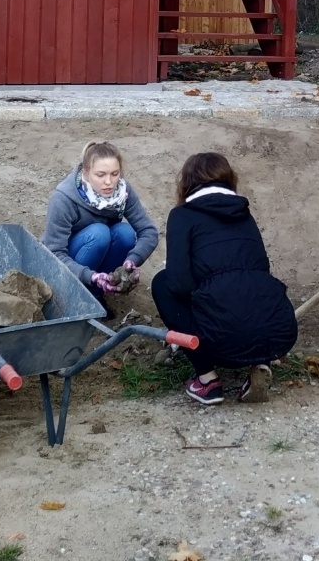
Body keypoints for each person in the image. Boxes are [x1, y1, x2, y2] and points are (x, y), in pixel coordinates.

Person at [151, 151, 298, 406]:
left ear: (186, 183)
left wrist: (202, 290)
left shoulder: (182, 216)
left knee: (162, 283)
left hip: (218, 337)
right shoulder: (244, 214)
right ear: (229, 180)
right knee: (247, 286)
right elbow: (261, 266)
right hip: (274, 335)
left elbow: (177, 282)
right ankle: (257, 362)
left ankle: (208, 381)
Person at [42, 141, 159, 297]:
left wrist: (132, 261)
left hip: (94, 255)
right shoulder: (63, 199)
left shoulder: (122, 192)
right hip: (67, 261)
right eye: (100, 175)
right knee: (99, 233)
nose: (109, 182)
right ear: (85, 172)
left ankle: (96, 292)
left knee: (126, 233)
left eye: (115, 174)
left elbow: (149, 231)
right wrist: (89, 275)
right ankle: (73, 293)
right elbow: (54, 253)